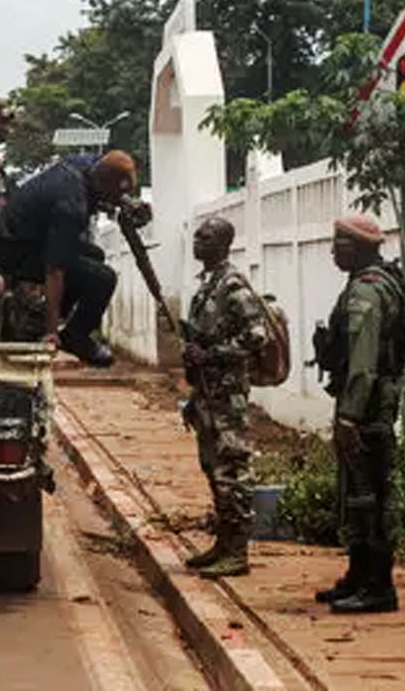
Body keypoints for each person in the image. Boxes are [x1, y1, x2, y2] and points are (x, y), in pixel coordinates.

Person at [313, 212, 405, 614]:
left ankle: (378, 586)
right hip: (370, 403)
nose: (332, 252)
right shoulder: (371, 283)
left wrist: (349, 417)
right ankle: (357, 575)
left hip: (367, 408)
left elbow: (363, 362)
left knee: (370, 493)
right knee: (356, 492)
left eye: (337, 245)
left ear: (355, 248)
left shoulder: (366, 292)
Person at [0, 150, 140, 367]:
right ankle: (71, 335)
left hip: (25, 234)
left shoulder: (87, 164)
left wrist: (129, 203)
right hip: (14, 251)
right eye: (115, 195)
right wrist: (51, 332)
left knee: (95, 255)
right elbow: (55, 270)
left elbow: (107, 185)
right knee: (103, 278)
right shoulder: (70, 205)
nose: (116, 201)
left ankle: (46, 318)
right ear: (103, 183)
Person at [179, 217, 268, 579]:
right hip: (207, 393)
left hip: (227, 397)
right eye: (197, 236)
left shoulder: (232, 284)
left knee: (232, 468)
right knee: (213, 468)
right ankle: (223, 543)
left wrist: (212, 354)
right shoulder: (209, 285)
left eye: (206, 237)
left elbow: (257, 335)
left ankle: (238, 551)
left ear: (223, 243)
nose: (197, 241)